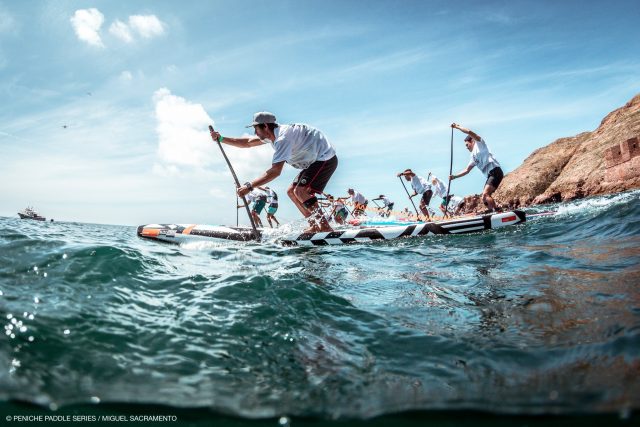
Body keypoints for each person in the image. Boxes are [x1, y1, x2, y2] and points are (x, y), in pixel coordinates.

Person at [210, 112, 338, 232]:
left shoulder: (282, 138)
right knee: (291, 192)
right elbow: (247, 143)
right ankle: (315, 225)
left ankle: (325, 228)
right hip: (313, 160)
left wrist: (249, 186)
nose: (255, 132)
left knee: (300, 191)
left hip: (325, 158)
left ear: (265, 126)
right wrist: (221, 139)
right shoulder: (271, 135)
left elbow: (275, 171)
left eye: (256, 128)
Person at [449, 123, 504, 212]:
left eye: (467, 145)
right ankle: (493, 213)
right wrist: (454, 176)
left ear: (472, 141)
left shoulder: (479, 143)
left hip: (495, 171)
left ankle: (497, 212)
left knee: (486, 194)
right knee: (484, 198)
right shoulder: (472, 157)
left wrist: (457, 127)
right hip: (491, 175)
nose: (466, 147)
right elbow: (467, 170)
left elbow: (470, 132)